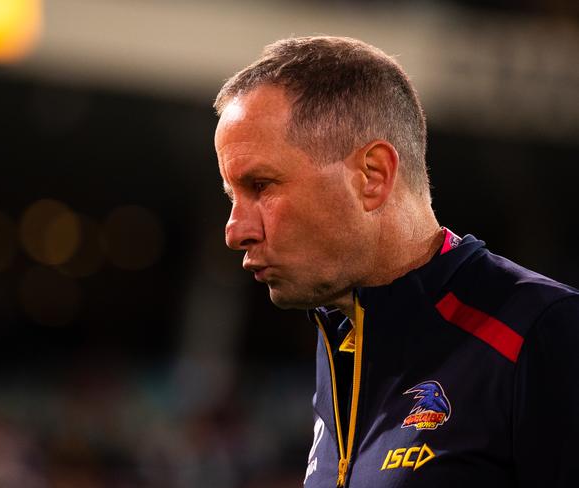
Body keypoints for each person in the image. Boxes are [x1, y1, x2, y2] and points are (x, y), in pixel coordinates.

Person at [213, 36, 578, 487]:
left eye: (262, 186)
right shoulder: (342, 342)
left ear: (373, 176)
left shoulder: (544, 333)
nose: (235, 230)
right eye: (233, 196)